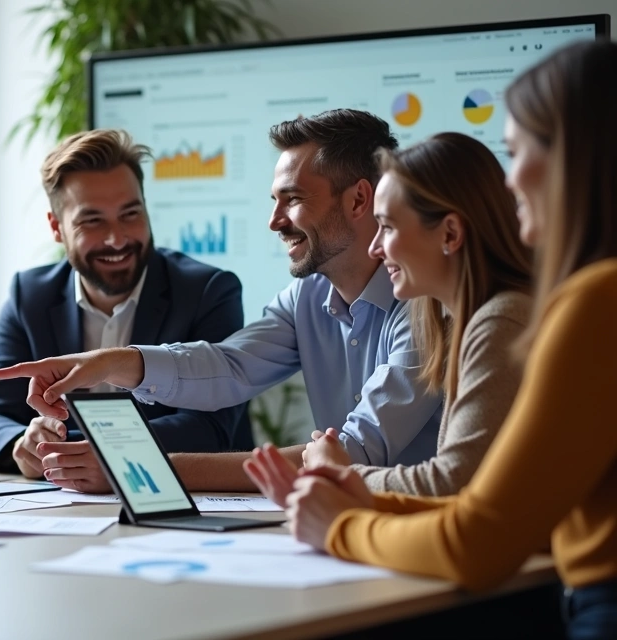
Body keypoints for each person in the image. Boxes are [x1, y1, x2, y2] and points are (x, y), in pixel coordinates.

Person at [249, 41, 617, 639]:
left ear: (574, 160)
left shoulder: (586, 305)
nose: (510, 175)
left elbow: (479, 534)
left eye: (519, 151)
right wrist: (350, 492)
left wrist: (339, 522)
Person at [0, 109, 443, 493]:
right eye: (274, 201)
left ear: (360, 199)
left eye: (293, 200)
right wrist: (110, 362)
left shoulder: (427, 304)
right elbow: (228, 367)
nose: (273, 221)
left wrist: (139, 470)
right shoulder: (308, 295)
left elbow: (351, 453)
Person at [258, 132, 531, 497]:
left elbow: (450, 485)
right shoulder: (466, 321)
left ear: (450, 233)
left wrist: (339, 475)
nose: (375, 247)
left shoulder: (500, 323)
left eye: (386, 227)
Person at [0, 129, 251, 476]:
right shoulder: (31, 295)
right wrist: (22, 444)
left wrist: (89, 448)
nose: (117, 239)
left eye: (130, 214)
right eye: (93, 221)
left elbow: (211, 428)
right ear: (56, 228)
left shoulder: (208, 291)